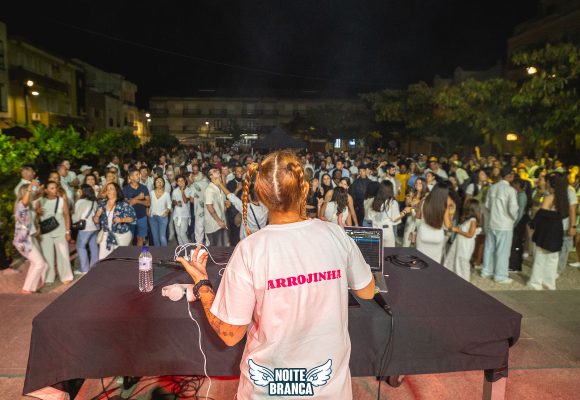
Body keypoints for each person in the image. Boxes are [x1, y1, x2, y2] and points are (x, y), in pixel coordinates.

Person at [177, 150, 375, 400]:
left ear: (261, 195)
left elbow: (230, 334)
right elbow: (367, 291)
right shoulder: (336, 235)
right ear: (304, 190)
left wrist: (202, 285)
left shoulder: (250, 250)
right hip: (330, 391)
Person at [527, 173, 569, 290]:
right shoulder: (564, 198)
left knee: (540, 256)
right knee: (553, 258)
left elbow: (541, 214)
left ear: (551, 183)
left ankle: (536, 282)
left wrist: (532, 224)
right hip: (557, 229)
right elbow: (564, 215)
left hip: (546, 230)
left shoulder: (549, 197)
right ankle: (549, 282)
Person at [481, 167, 519, 284]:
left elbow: (487, 205)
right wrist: (513, 218)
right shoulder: (510, 190)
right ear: (509, 176)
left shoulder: (492, 188)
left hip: (492, 222)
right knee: (503, 251)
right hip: (504, 224)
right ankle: (500, 275)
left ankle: (486, 271)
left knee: (489, 248)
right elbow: (513, 209)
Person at [13, 182, 48, 293]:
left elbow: (38, 195)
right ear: (25, 193)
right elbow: (25, 201)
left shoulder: (29, 207)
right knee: (40, 263)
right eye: (30, 192)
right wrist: (29, 187)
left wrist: (38, 188)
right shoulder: (21, 205)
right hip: (23, 241)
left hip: (29, 238)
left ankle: (30, 289)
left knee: (36, 263)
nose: (32, 193)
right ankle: (26, 289)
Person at [36, 181, 73, 284]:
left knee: (63, 254)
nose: (55, 190)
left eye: (55, 187)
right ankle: (48, 278)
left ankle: (66, 276)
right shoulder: (41, 201)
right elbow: (34, 217)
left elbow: (66, 216)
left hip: (60, 232)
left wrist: (67, 232)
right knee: (47, 256)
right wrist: (37, 212)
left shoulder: (62, 201)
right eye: (51, 188)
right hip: (45, 233)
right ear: (46, 190)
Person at [214, 175, 269, 239]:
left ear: (249, 197)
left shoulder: (246, 208)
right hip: (259, 237)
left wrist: (220, 183)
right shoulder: (265, 207)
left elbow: (231, 197)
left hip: (247, 239)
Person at [94, 183, 136, 260]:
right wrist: (97, 215)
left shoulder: (124, 204)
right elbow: (96, 221)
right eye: (107, 189)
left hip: (121, 235)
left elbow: (132, 218)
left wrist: (122, 220)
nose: (108, 191)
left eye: (111, 188)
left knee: (119, 259)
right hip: (106, 234)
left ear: (116, 191)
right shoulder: (102, 204)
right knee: (103, 259)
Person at [415, 184, 455, 263]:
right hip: (437, 237)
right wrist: (451, 213)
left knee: (420, 262)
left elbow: (417, 218)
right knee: (434, 264)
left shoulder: (423, 201)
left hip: (423, 235)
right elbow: (448, 226)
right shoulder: (444, 207)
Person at [443, 199, 481, 282]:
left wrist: (457, 230)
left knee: (462, 261)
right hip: (460, 243)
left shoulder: (473, 221)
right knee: (456, 259)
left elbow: (470, 234)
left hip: (466, 245)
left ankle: (464, 280)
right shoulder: (468, 219)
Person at [368, 181, 411, 247]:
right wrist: (404, 212)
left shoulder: (373, 200)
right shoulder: (392, 202)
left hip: (375, 230)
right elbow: (395, 219)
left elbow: (369, 216)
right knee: (388, 254)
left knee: (377, 254)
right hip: (386, 231)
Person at [73, 184, 99, 274]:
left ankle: (84, 269)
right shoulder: (94, 202)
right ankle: (94, 267)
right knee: (94, 246)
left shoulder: (80, 202)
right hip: (94, 227)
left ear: (82, 191)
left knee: (81, 247)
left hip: (85, 228)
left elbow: (76, 217)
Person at [123, 169, 150, 246]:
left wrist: (137, 201)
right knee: (129, 239)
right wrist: (138, 197)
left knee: (140, 238)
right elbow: (125, 205)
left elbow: (148, 203)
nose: (139, 176)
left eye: (139, 174)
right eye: (137, 174)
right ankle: (130, 256)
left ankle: (139, 256)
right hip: (129, 217)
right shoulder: (125, 189)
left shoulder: (143, 188)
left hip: (142, 216)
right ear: (131, 177)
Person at [204, 168, 228, 246]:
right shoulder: (209, 189)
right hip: (214, 224)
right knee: (216, 250)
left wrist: (226, 202)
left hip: (221, 221)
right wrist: (219, 221)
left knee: (222, 247)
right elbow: (209, 206)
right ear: (210, 176)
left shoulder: (219, 187)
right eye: (214, 171)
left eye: (217, 170)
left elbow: (222, 202)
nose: (218, 171)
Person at [403, 177, 427, 247]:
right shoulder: (412, 194)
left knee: (417, 245)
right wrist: (408, 200)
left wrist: (412, 206)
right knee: (406, 242)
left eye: (420, 183)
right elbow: (407, 205)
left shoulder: (425, 197)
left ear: (424, 185)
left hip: (419, 222)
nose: (417, 184)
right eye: (416, 183)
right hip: (410, 221)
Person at [149, 177, 172, 246]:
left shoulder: (166, 194)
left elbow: (169, 205)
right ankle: (158, 254)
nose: (159, 183)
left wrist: (166, 212)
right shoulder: (151, 193)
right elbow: (148, 203)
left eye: (161, 181)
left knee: (162, 237)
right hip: (152, 217)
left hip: (163, 217)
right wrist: (148, 211)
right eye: (157, 181)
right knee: (155, 237)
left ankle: (164, 254)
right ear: (155, 184)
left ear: (163, 184)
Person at [172, 175, 192, 245]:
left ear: (185, 181)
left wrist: (182, 191)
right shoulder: (175, 191)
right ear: (177, 182)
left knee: (182, 233)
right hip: (176, 214)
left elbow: (186, 201)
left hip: (185, 215)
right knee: (178, 234)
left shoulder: (189, 190)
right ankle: (181, 250)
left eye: (182, 180)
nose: (181, 182)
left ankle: (188, 248)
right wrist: (176, 203)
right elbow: (173, 201)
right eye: (179, 181)